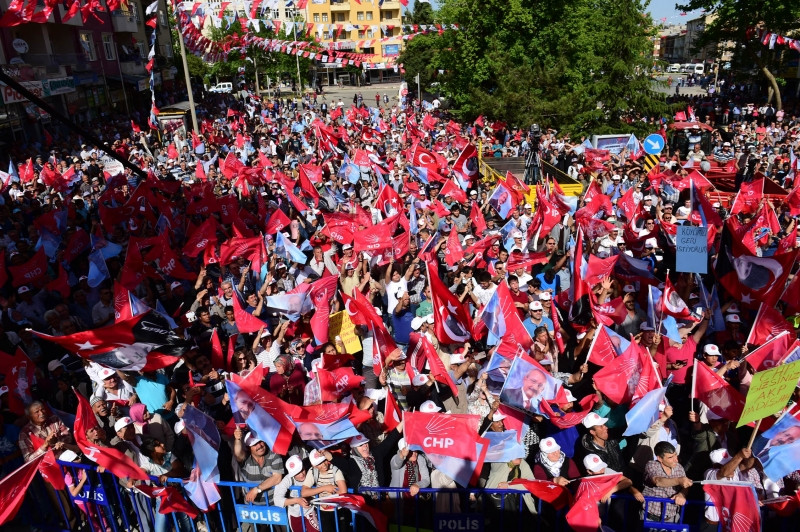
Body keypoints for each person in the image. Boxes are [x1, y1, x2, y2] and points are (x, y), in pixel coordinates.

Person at [641, 441, 691, 524]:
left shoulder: (679, 467)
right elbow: (658, 481)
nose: (676, 460)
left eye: (676, 455)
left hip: (672, 518)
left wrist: (681, 494)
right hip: (651, 518)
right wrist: (678, 480)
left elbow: (685, 486)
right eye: (670, 457)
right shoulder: (652, 465)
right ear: (660, 458)